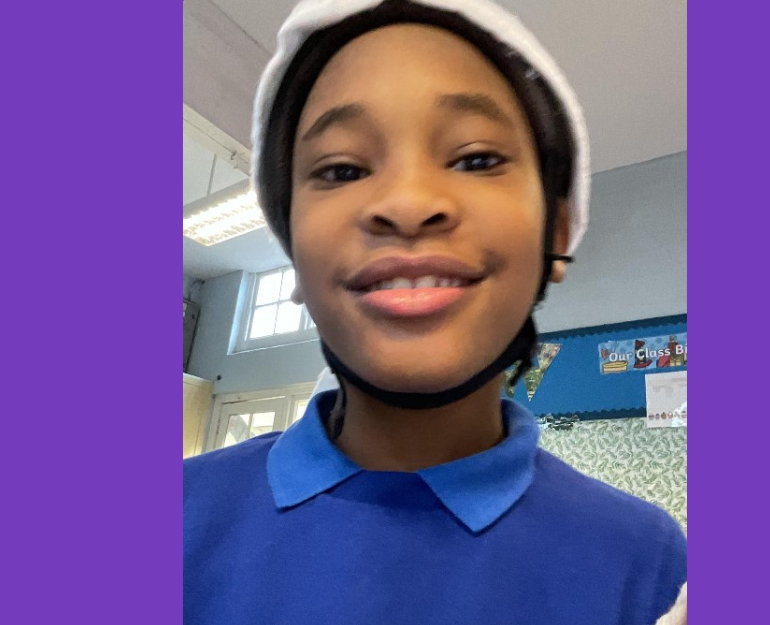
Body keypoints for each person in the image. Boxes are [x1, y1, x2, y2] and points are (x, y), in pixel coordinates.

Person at [183, 1, 686, 623]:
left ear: (556, 231)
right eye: (342, 169)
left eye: (476, 158)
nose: (407, 203)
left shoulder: (646, 565)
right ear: (294, 251)